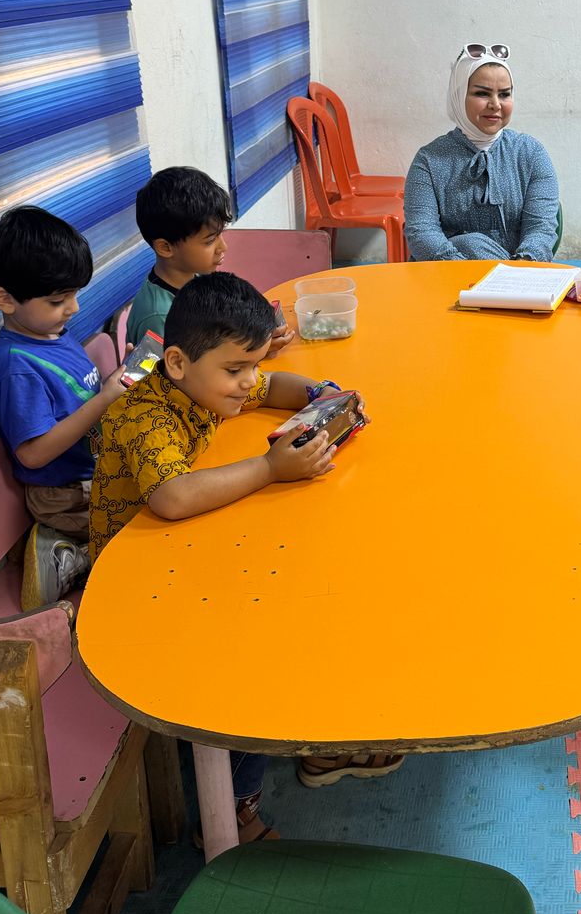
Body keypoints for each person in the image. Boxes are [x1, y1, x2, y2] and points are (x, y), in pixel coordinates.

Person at [90, 272, 400, 835]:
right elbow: (172, 496)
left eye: (251, 365)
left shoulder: (205, 383)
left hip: (183, 550)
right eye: (237, 369)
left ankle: (315, 738)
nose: (248, 382)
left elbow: (273, 384)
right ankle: (235, 807)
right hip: (137, 586)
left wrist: (320, 396)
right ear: (177, 362)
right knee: (253, 643)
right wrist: (270, 469)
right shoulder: (144, 415)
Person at [0, 206, 125, 610]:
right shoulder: (16, 368)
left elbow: (77, 398)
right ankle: (64, 551)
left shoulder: (52, 332)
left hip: (93, 475)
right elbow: (33, 453)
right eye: (59, 300)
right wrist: (105, 400)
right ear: (5, 299)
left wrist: (119, 381)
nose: (74, 308)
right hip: (64, 496)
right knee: (147, 526)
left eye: (74, 294)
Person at [404, 44, 560, 262]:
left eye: (504, 94)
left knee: (472, 245)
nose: (495, 104)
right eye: (482, 93)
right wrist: (468, 270)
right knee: (470, 244)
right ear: (458, 96)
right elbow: (422, 233)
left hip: (520, 273)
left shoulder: (531, 153)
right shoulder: (428, 160)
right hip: (445, 275)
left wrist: (517, 272)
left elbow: (541, 228)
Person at [125, 165, 293, 355]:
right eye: (210, 240)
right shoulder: (160, 316)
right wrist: (255, 352)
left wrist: (255, 341)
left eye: (220, 234)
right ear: (165, 247)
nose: (223, 247)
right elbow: (181, 373)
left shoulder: (194, 277)